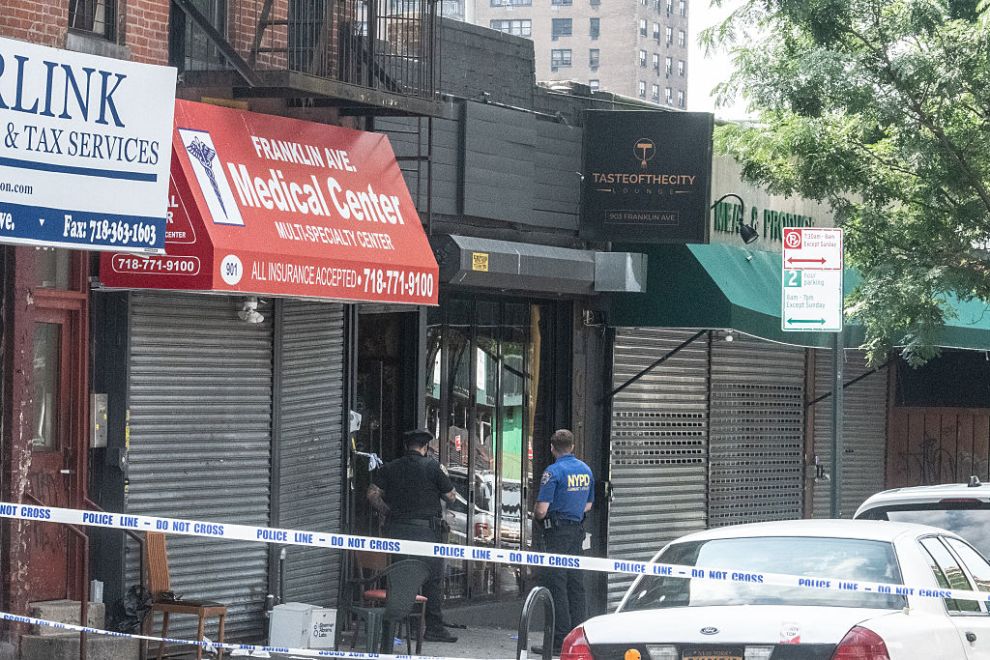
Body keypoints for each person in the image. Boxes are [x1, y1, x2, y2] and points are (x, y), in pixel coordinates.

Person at [367, 428, 459, 643]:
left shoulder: (390, 467)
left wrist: (388, 511)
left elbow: (371, 494)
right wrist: (442, 475)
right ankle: (433, 628)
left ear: (405, 447)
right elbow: (451, 496)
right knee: (431, 579)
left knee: (397, 577)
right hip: (426, 533)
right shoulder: (433, 467)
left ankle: (394, 624)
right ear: (425, 448)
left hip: (396, 532)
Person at [533, 429, 594, 654]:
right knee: (576, 585)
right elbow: (588, 505)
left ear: (552, 448)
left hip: (556, 534)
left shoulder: (553, 472)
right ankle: (580, 641)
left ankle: (559, 642)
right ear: (573, 446)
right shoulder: (586, 470)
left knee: (557, 586)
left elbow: (541, 510)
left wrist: (537, 516)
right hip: (576, 532)